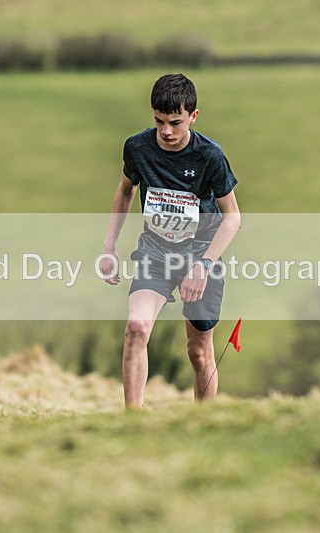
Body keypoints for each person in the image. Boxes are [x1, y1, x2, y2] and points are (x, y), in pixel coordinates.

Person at [100, 73, 241, 408]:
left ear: (193, 116)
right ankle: (133, 421)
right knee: (136, 327)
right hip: (155, 252)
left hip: (201, 255)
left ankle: (204, 422)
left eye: (175, 123)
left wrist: (204, 265)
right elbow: (125, 191)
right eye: (159, 121)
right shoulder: (137, 148)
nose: (166, 131)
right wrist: (109, 246)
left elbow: (233, 217)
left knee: (198, 351)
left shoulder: (210, 155)